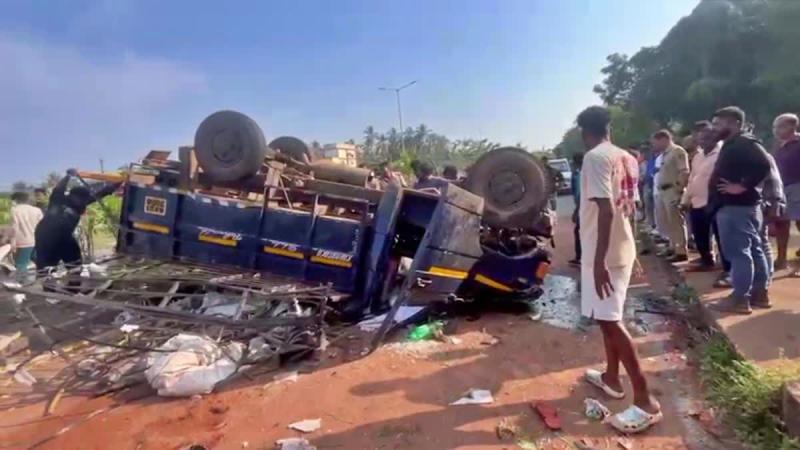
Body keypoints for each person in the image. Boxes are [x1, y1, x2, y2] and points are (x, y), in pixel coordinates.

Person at [576, 106, 661, 433]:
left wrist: (598, 261)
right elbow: (630, 208)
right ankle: (611, 378)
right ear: (608, 127)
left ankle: (646, 401)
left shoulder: (595, 158)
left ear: (585, 132)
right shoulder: (626, 157)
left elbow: (607, 210)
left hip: (605, 252)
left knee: (611, 322)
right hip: (620, 247)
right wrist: (632, 247)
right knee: (606, 317)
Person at [707, 107, 772, 314]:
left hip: (737, 207)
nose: (714, 128)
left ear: (734, 123)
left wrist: (742, 186)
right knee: (753, 250)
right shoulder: (734, 143)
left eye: (719, 124)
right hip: (739, 207)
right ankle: (759, 294)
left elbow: (764, 165)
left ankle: (740, 298)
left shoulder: (744, 143)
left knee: (739, 253)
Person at [34, 170, 121, 269]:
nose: (84, 202)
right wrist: (68, 176)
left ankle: (75, 276)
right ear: (73, 196)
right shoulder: (58, 199)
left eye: (85, 199)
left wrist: (118, 183)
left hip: (65, 237)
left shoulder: (81, 202)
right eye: (82, 199)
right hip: (46, 237)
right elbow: (59, 188)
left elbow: (101, 193)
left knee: (75, 264)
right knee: (46, 267)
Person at [682, 121, 722, 271]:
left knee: (719, 234)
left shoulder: (721, 154)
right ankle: (706, 260)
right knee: (699, 233)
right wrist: (685, 199)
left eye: (707, 138)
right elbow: (692, 179)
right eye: (701, 139)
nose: (703, 142)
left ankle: (725, 265)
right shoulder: (698, 157)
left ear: (715, 139)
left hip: (714, 201)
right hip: (697, 201)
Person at [651, 130, 690, 262]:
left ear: (664, 139)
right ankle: (673, 247)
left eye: (655, 142)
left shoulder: (677, 151)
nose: (654, 145)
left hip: (672, 190)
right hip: (663, 191)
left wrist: (679, 190)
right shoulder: (664, 155)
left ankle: (681, 250)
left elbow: (684, 172)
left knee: (676, 221)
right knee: (668, 222)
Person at [772, 113, 800, 271]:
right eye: (775, 127)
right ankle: (781, 259)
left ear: (792, 127)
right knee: (781, 223)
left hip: (797, 186)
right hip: (782, 188)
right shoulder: (779, 146)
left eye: (780, 127)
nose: (776, 130)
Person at [10, 191, 43, 281]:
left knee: (21, 263)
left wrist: (13, 242)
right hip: (36, 240)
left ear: (16, 200)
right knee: (39, 260)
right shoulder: (37, 210)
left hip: (23, 242)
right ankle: (44, 278)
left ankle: (22, 283)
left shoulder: (15, 210)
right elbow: (42, 225)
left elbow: (14, 228)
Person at [569, 153, 584, 266]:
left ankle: (580, 257)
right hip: (585, 207)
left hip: (583, 208)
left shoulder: (579, 174)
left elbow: (580, 194)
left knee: (579, 231)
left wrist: (576, 210)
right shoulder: (581, 173)